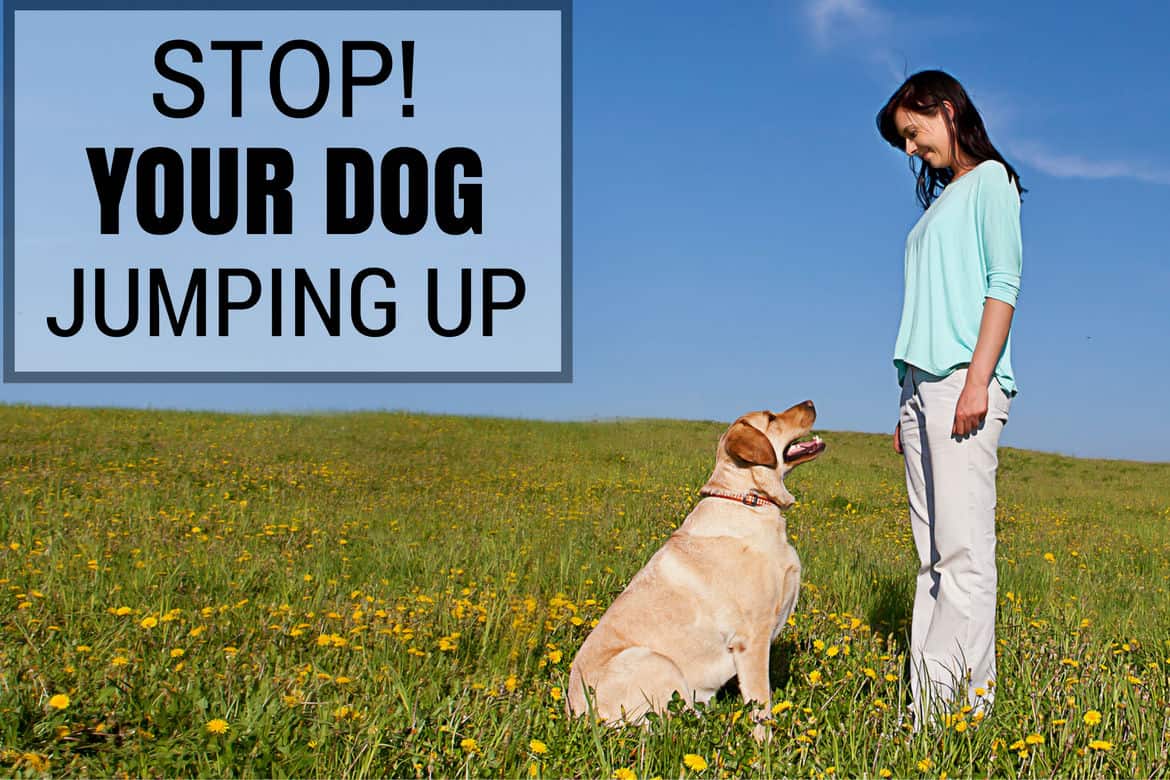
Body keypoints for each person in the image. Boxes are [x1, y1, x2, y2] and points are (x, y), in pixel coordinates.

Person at [875, 70, 1025, 725]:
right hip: (919, 389)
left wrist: (975, 381)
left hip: (964, 380)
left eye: (912, 132)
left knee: (963, 555)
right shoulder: (941, 203)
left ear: (943, 109)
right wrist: (905, 400)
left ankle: (949, 717)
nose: (910, 149)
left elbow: (1003, 284)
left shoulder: (992, 181)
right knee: (932, 558)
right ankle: (936, 706)